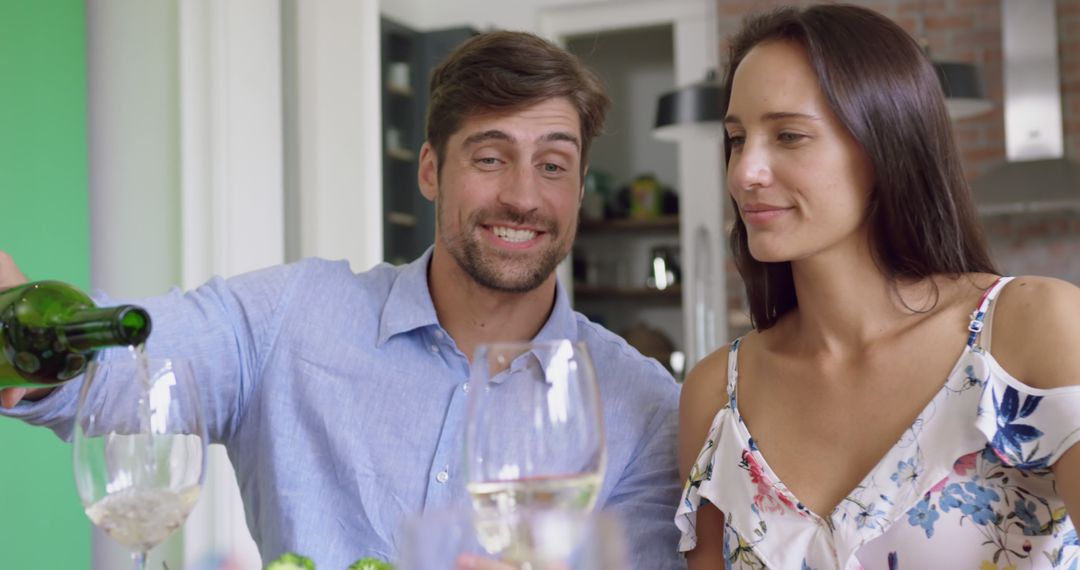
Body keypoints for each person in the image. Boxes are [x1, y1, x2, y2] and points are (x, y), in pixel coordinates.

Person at [0, 31, 685, 570]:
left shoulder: (647, 411)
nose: (524, 196)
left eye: (553, 165)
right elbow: (122, 366)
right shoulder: (289, 318)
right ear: (430, 171)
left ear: (580, 186)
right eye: (489, 156)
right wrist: (23, 329)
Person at [676, 4, 1080, 569]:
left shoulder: (1031, 331)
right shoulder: (717, 396)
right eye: (738, 139)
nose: (745, 172)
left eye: (789, 135)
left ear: (886, 147)